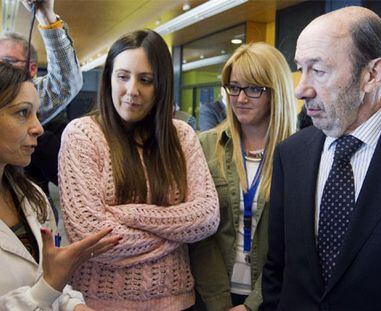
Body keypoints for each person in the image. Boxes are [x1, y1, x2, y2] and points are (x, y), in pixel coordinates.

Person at [262, 6, 381, 310]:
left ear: (372, 74)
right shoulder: (290, 154)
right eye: (300, 69)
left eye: (318, 71)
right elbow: (277, 268)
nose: (300, 89)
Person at [58, 29, 220, 310]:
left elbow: (206, 218)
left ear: (161, 85)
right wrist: (176, 231)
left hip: (176, 301)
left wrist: (125, 215)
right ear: (108, 77)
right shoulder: (82, 134)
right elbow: (89, 235)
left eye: (145, 80)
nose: (132, 90)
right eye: (123, 76)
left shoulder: (181, 136)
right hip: (96, 303)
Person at [0, 62, 120, 310]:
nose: (38, 128)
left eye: (36, 114)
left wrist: (74, 305)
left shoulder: (33, 198)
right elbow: (47, 284)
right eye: (23, 112)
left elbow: (47, 279)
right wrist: (49, 286)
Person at [190, 42, 297, 311]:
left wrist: (252, 305)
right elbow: (198, 236)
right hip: (212, 294)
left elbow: (295, 244)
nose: (240, 98)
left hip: (272, 297)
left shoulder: (299, 153)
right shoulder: (205, 146)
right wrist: (220, 303)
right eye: (234, 87)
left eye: (253, 89)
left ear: (276, 92)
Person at [0, 0, 83, 221]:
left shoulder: (24, 93)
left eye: (7, 62)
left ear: (32, 69)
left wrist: (46, 15)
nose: (36, 127)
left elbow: (65, 84)